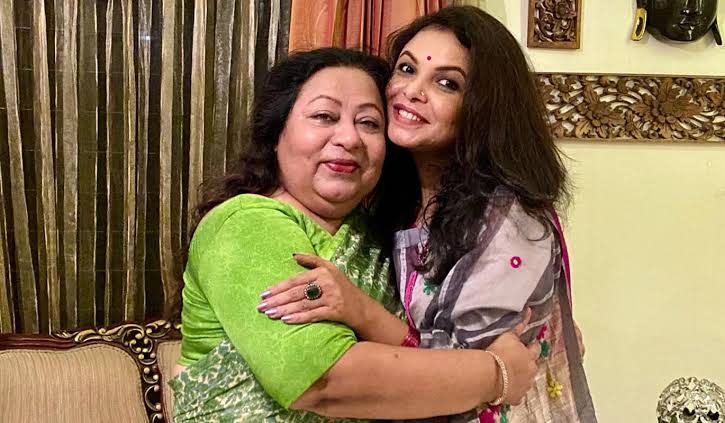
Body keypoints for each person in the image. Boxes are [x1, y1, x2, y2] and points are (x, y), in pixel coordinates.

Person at [259, 7, 597, 423]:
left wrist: (360, 310)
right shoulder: (387, 197)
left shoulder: (506, 220)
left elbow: (461, 380)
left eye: (446, 83)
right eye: (406, 69)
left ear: (483, 108)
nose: (412, 91)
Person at [169, 47, 539, 422]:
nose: (349, 138)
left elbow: (419, 346)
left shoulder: (378, 236)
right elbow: (324, 381)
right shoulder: (245, 225)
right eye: (324, 116)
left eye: (369, 123)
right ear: (276, 134)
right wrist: (497, 375)